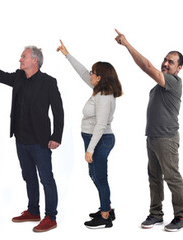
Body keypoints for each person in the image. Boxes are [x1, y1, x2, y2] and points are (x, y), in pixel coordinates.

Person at [0, 42, 63, 233]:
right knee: (29, 177)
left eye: (24, 56)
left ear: (35, 60)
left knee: (46, 179)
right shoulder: (18, 77)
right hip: (21, 139)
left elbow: (58, 111)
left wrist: (56, 136)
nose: (20, 59)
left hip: (41, 141)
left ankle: (51, 217)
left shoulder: (49, 82)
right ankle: (33, 211)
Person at [113, 29, 183, 232]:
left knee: (172, 177)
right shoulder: (158, 87)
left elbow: (147, 66)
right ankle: (156, 214)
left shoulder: (174, 82)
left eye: (171, 62)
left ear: (179, 68)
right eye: (165, 59)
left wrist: (127, 44)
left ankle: (182, 216)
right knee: (154, 178)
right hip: (153, 138)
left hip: (167, 138)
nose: (165, 63)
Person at [57, 40, 123, 229]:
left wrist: (90, 149)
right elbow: (83, 72)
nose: (90, 74)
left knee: (100, 177)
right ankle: (107, 207)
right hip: (94, 139)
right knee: (94, 175)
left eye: (93, 73)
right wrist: (67, 54)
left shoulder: (104, 96)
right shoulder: (99, 89)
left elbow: (100, 125)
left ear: (100, 78)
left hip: (100, 140)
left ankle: (105, 216)